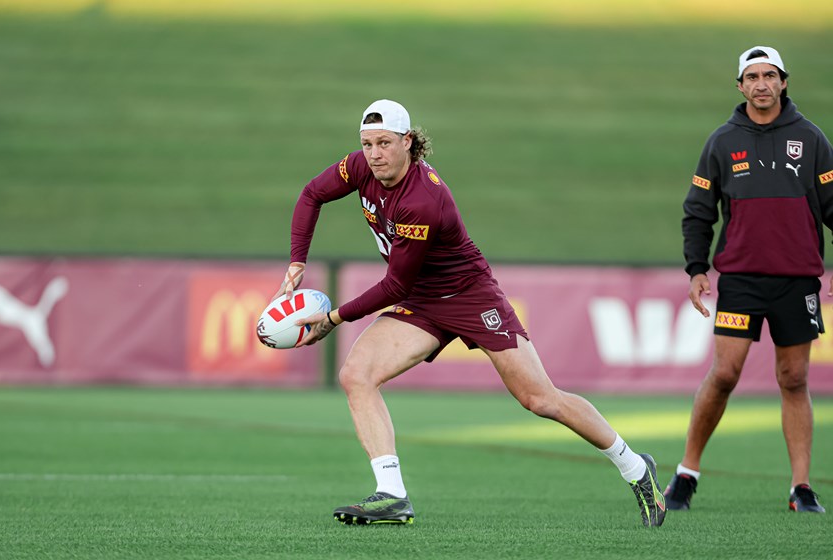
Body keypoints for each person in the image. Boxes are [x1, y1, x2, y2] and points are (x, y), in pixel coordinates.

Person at [272, 99, 666, 527]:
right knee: (356, 376)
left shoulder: (422, 201)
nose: (374, 153)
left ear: (409, 142)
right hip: (422, 300)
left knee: (540, 398)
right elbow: (313, 193)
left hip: (468, 296)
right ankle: (392, 493)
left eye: (385, 143)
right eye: (367, 144)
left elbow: (395, 286)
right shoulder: (360, 167)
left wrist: (333, 319)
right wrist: (297, 261)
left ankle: (635, 467)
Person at [672, 46, 832, 513]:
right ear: (740, 86)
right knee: (724, 374)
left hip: (797, 279)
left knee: (794, 377)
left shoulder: (812, 138)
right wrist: (697, 268)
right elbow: (697, 212)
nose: (761, 84)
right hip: (741, 278)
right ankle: (686, 474)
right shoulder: (722, 142)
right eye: (752, 77)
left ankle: (801, 489)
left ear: (784, 82)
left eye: (770, 76)